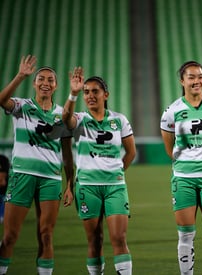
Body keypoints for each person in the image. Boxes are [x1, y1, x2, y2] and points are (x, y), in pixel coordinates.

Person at [0, 55, 74, 275]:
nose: (45, 83)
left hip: (50, 179)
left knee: (46, 235)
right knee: (10, 236)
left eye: (50, 80)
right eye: (41, 78)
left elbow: (67, 155)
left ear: (56, 86)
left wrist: (70, 183)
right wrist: (20, 75)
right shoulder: (22, 107)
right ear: (34, 83)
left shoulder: (62, 115)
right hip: (22, 176)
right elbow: (2, 100)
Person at [62, 67, 136, 275]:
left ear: (106, 94)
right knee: (95, 241)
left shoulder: (119, 120)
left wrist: (119, 172)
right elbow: (65, 120)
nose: (90, 96)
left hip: (115, 187)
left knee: (119, 239)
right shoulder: (80, 119)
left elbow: (130, 152)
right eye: (86, 92)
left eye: (95, 91)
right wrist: (73, 93)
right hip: (87, 187)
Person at [160, 61, 202, 275]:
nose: (196, 81)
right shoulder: (171, 111)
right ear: (182, 81)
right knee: (185, 236)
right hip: (183, 178)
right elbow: (169, 148)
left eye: (200, 76)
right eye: (191, 77)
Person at [0, 155, 10, 224]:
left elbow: (3, 181)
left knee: (6, 199)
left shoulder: (3, 160)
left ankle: (2, 216)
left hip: (6, 188)